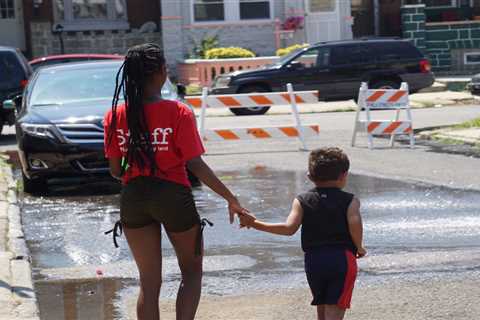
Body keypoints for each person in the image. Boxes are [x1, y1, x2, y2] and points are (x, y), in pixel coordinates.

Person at [103, 43, 248, 320]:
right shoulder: (178, 112)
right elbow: (195, 164)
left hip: (133, 197)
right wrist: (231, 197)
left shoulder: (115, 115)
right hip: (173, 196)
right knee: (191, 273)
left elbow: (115, 170)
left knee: (148, 282)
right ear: (160, 72)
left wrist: (131, 162)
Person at [239, 147, 366, 320]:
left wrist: (255, 223)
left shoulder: (301, 200)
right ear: (344, 175)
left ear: (309, 176)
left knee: (322, 304)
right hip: (341, 259)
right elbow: (354, 223)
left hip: (314, 261)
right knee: (335, 307)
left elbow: (288, 228)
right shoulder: (350, 200)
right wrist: (359, 246)